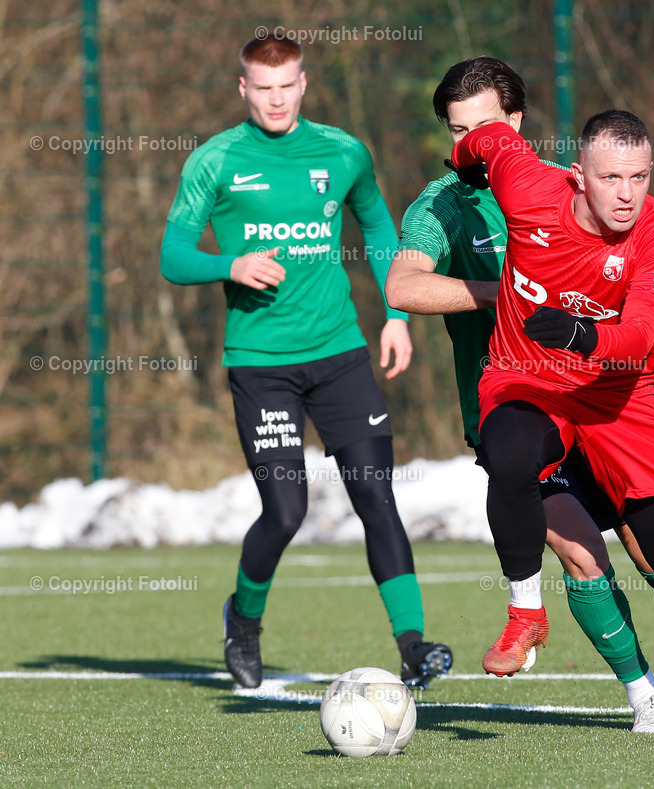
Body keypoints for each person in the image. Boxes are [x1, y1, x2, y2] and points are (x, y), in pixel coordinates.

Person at [387, 57, 654, 731]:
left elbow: (635, 282)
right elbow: (402, 287)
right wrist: (500, 292)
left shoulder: (578, 185)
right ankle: (639, 688)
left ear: (514, 124)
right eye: (454, 131)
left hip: (607, 395)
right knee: (578, 550)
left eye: (476, 128)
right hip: (520, 389)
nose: (464, 144)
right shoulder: (442, 203)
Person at [159, 32, 451, 690]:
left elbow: (379, 229)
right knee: (285, 512)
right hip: (261, 364)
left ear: (304, 82)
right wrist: (228, 264)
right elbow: (171, 257)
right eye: (262, 88)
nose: (275, 99)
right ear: (243, 89)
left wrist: (397, 316)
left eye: (286, 85)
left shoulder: (344, 151)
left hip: (341, 355)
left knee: (377, 496)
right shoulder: (216, 161)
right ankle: (244, 618)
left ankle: (412, 645)